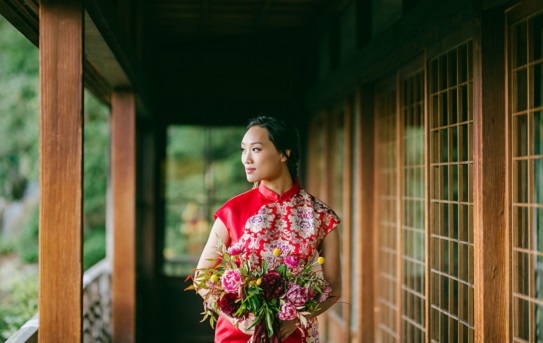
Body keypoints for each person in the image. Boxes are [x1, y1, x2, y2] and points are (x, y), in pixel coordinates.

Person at [196, 115, 342, 343]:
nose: (246, 159)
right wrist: (239, 318)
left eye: (255, 149)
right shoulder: (232, 210)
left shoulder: (322, 216)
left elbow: (332, 288)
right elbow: (201, 278)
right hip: (238, 335)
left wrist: (296, 318)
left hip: (292, 335)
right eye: (243, 150)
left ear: (285, 153)